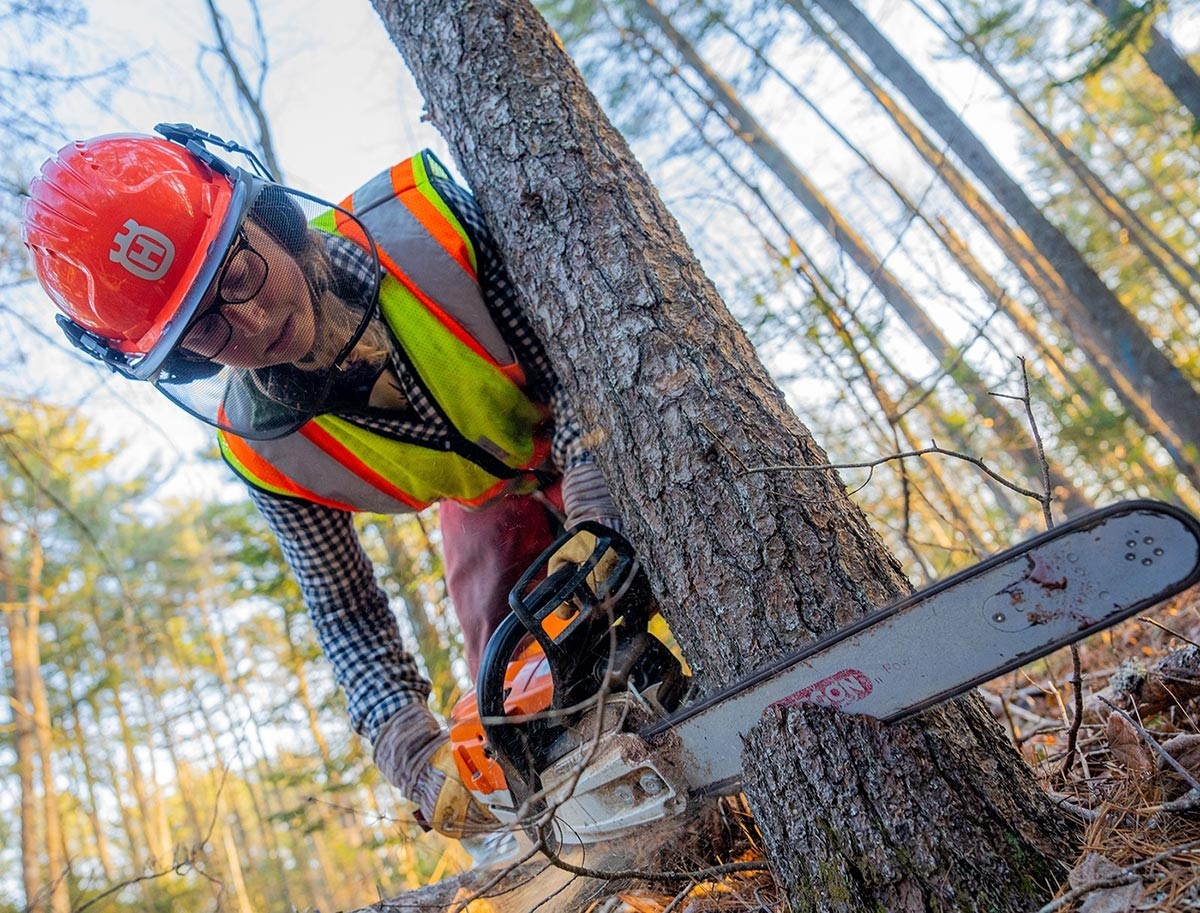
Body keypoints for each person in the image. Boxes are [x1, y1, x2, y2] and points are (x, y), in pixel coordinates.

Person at [21, 125, 622, 838]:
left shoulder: (427, 232)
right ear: (183, 361)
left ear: (267, 220)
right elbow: (345, 609)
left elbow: (585, 356)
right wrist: (410, 746)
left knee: (634, 551)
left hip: (592, 427)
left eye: (238, 275)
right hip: (491, 504)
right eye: (206, 330)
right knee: (512, 683)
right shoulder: (267, 452)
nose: (250, 321)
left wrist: (596, 496)